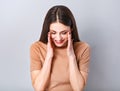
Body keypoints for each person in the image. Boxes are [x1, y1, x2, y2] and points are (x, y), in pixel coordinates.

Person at [30, 5, 90, 91]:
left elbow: (78, 88)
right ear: (48, 31)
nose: (58, 38)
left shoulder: (83, 48)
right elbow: (39, 88)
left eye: (64, 33)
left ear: (71, 29)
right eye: (53, 33)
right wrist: (49, 56)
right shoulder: (36, 48)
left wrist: (71, 56)